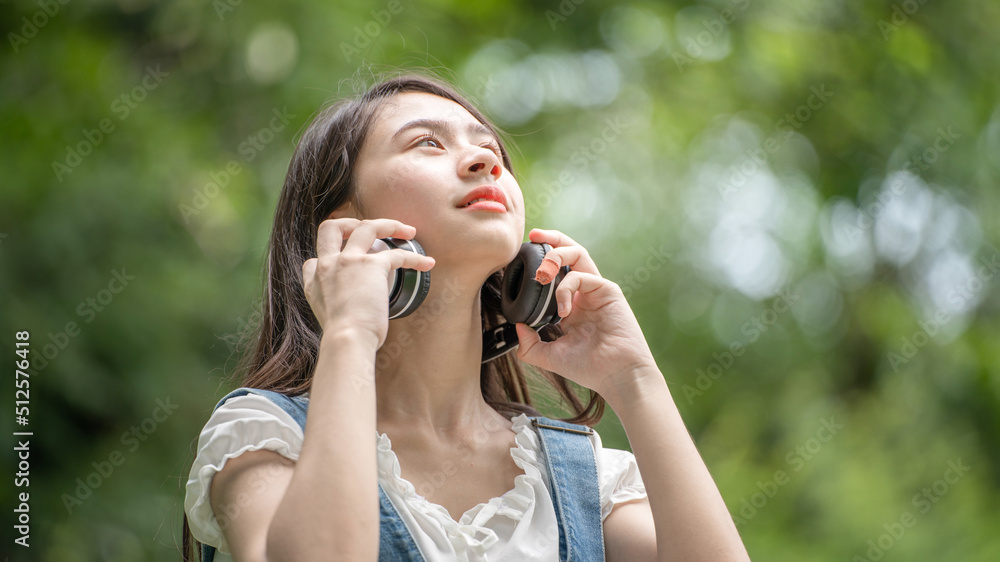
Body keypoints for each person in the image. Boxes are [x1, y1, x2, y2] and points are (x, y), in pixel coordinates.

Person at [182, 73, 750, 561]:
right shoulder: (262, 435)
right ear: (344, 227)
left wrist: (634, 378)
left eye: (493, 152)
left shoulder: (580, 477)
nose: (486, 162)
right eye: (427, 143)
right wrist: (350, 333)